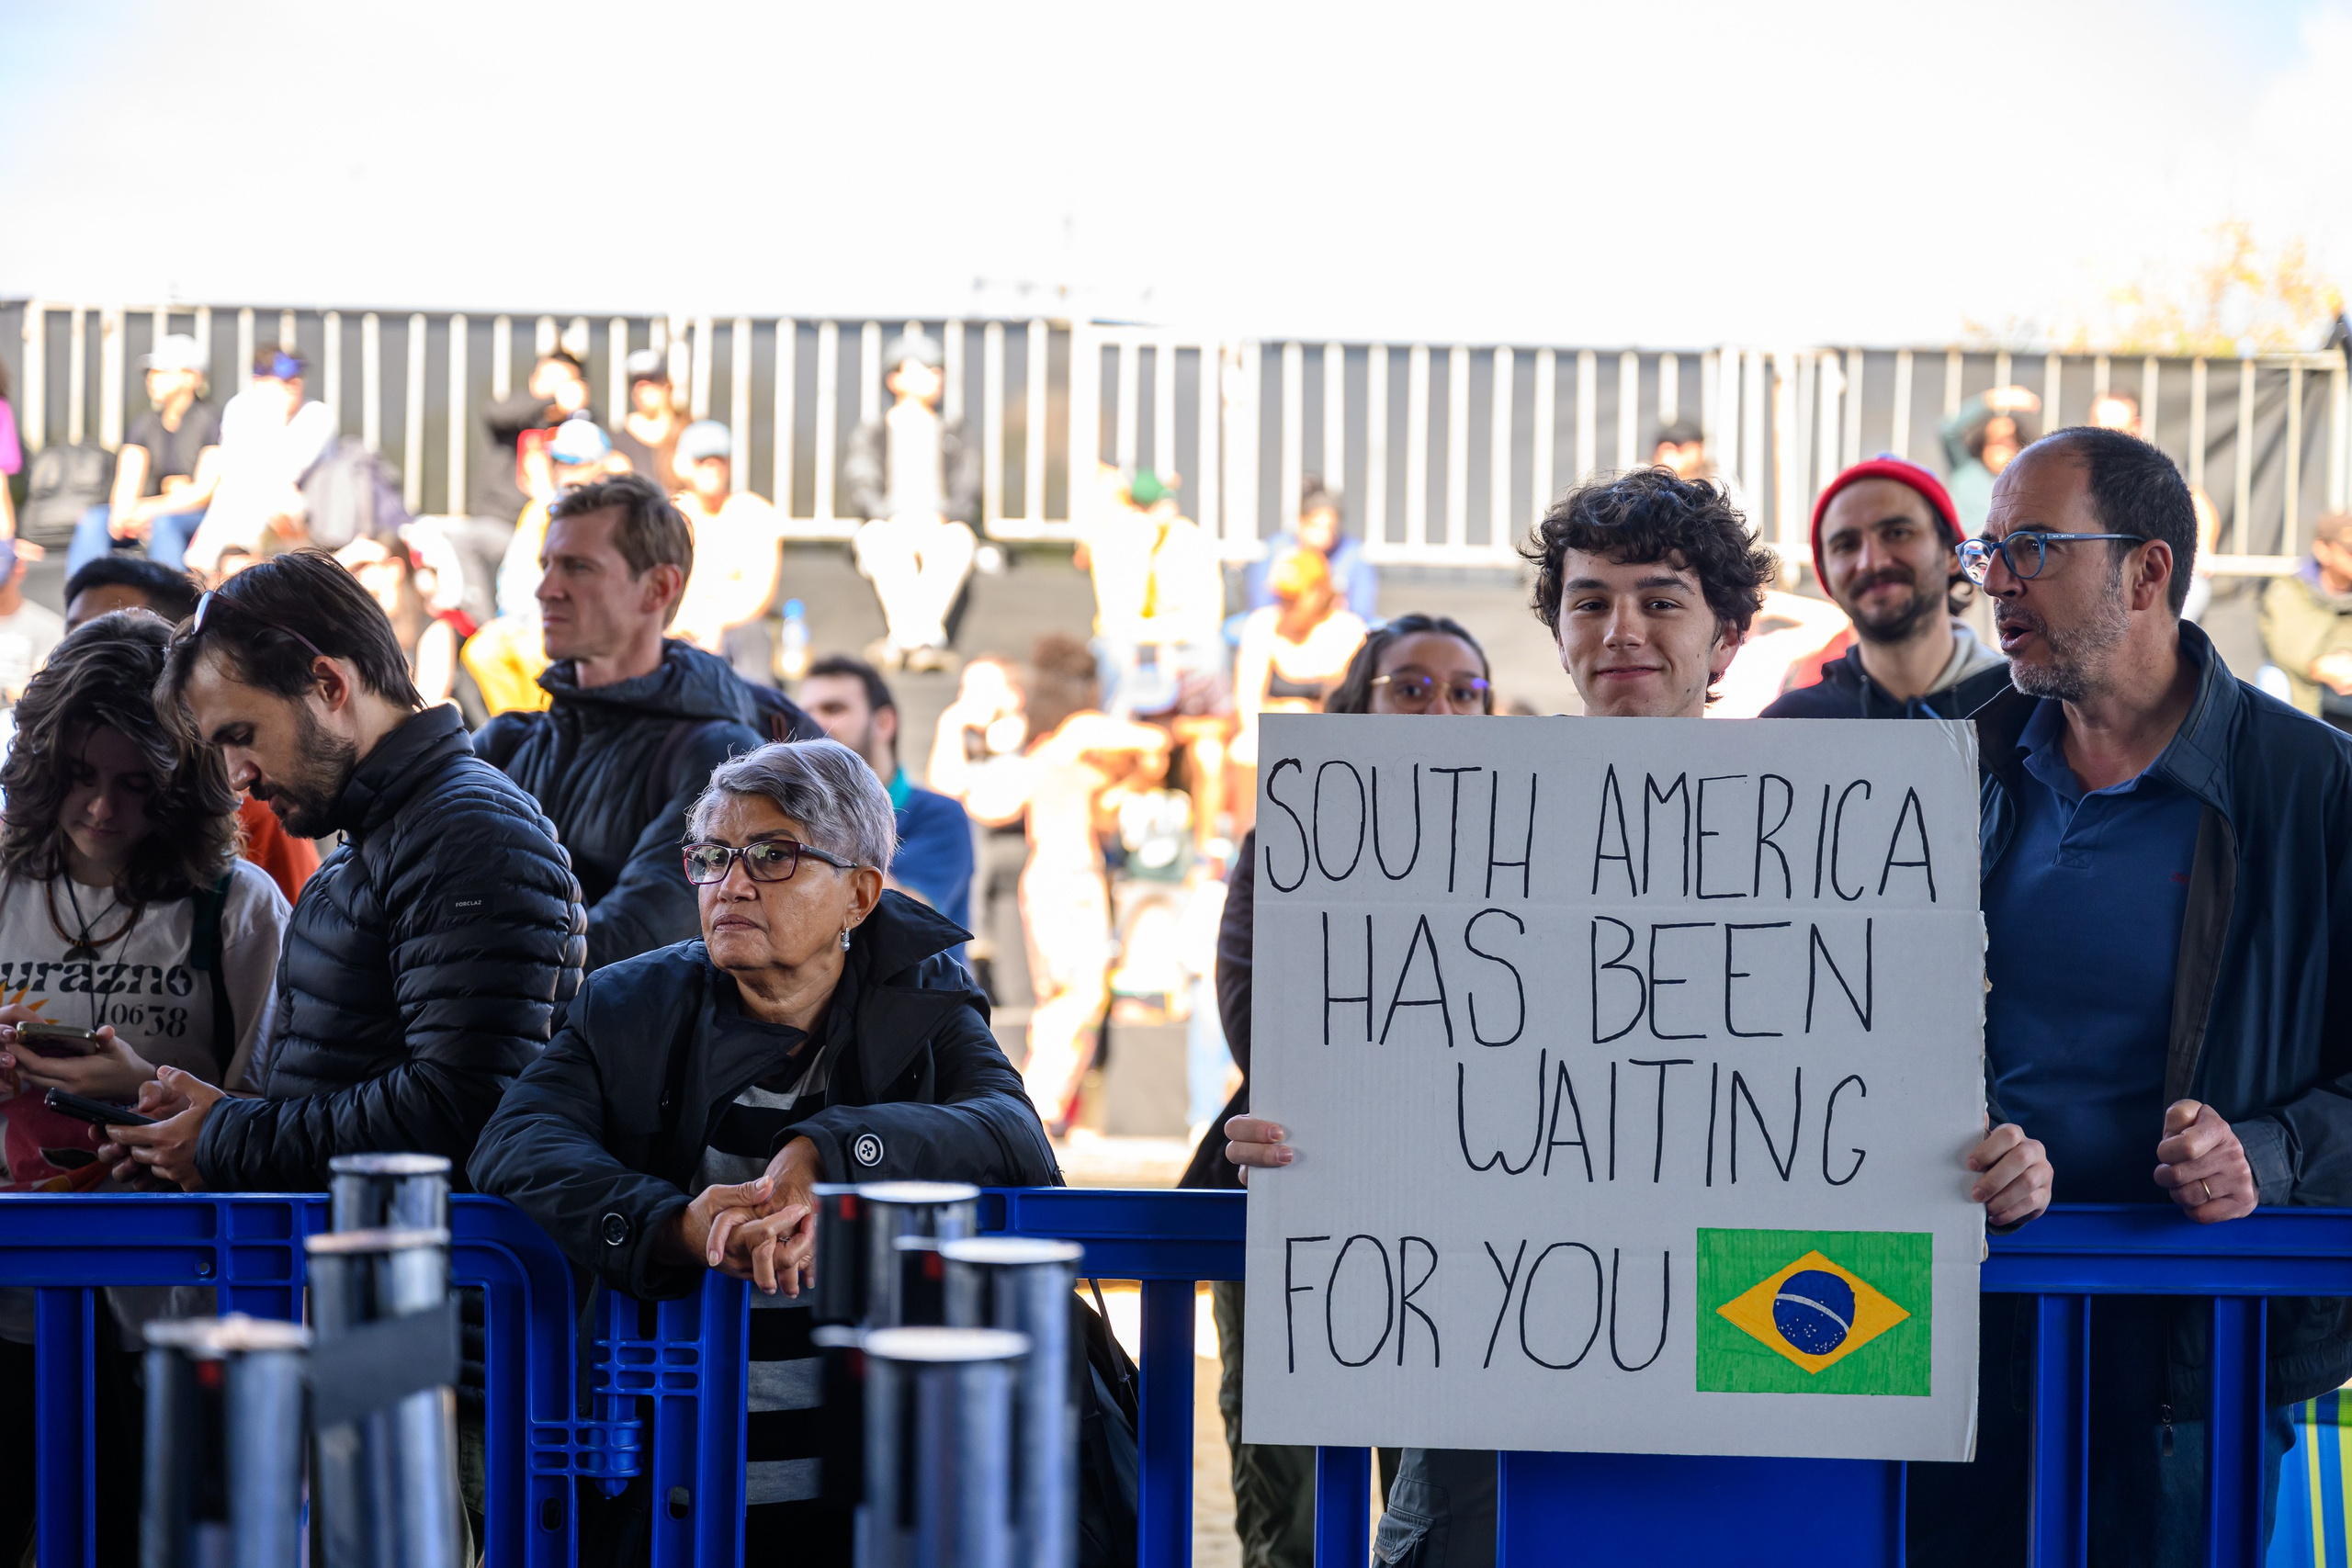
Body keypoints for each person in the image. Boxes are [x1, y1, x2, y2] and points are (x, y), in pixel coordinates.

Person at [1226, 468, 2056, 1566]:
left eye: (1661, 601)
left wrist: (2004, 1163)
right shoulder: (1436, 832)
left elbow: (1927, 1076)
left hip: (1762, 1395)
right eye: (1589, 601)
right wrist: (1300, 1132)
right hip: (1492, 1411)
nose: (1621, 630)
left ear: (1725, 639)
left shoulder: (1837, 833)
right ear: (1556, 629)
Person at [1908, 426, 2352, 1562]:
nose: (1994, 581)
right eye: (1985, 550)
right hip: (1940, 1340)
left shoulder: (2311, 789)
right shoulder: (1941, 766)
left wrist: (2271, 1153)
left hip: (2187, 1366)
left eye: (2033, 548)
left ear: (2148, 571)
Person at [469, 739, 1057, 1563]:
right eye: (711, 857)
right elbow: (515, 1141)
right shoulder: (631, 1001)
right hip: (668, 1488)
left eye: (773, 855)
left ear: (860, 893)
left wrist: (834, 1150)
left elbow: (1013, 1133)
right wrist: (673, 1224)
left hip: (871, 1489)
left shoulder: (929, 1008)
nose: (731, 884)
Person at [107, 548, 584, 1192]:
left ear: (329, 685)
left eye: (242, 733)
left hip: (429, 1284)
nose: (237, 776)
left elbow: (463, 1106)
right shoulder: (387, 837)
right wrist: (209, 1128)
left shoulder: (466, 834)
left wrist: (228, 1135)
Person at [1180, 611, 1492, 1568]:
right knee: (1295, 1522)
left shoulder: (1529, 852)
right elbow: (1263, 1031)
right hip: (1288, 1198)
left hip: (1474, 1225)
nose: (1438, 707)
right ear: (1354, 703)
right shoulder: (1285, 842)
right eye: (1410, 687)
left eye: (1465, 691)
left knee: (1435, 1514)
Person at [0, 614, 290, 1562]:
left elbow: (271, 1117)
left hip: (169, 1303)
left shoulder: (237, 906)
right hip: (13, 1297)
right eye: (78, 777)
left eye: (135, 786)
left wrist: (153, 1095)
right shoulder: (6, 881)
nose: (97, 811)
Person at [475, 472, 776, 974]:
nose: (547, 589)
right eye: (546, 565)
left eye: (578, 568)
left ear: (658, 588)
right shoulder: (505, 745)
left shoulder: (719, 758)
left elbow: (633, 948)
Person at [963, 636, 1170, 1130]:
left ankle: (1036, 1101)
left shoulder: (1050, 752)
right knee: (1078, 995)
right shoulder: (1079, 733)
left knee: (1064, 996)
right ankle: (1040, 1104)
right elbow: (1155, 744)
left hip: (1056, 878)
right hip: (1069, 878)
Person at [58, 556, 319, 903]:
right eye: (75, 632)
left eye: (135, 784)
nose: (88, 654)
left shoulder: (250, 801)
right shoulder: (39, 797)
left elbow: (295, 928)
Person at [1761, 457, 2008, 719]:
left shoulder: (2026, 707)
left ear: (1950, 552)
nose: (1872, 563)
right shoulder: (1792, 725)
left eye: (1897, 533)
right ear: (1826, 575)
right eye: (1846, 545)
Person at [797, 654, 975, 935]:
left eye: (832, 708)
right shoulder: (794, 816)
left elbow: (907, 919)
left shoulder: (940, 815)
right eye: (805, 713)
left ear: (883, 723)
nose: (814, 724)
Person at [463, 416, 622, 716]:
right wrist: (509, 619)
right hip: (529, 620)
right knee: (482, 651)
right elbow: (515, 573)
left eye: (574, 462)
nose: (565, 470)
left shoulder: (612, 515)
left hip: (582, 626)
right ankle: (519, 735)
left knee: (536, 654)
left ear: (599, 465)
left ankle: (551, 733)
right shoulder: (541, 509)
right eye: (560, 461)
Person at [842, 331, 982, 671]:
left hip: (941, 525)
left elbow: (969, 487)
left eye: (939, 369)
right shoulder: (872, 431)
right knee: (876, 539)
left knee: (960, 541)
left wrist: (944, 517)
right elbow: (861, 483)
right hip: (889, 524)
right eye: (926, 367)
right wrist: (891, 517)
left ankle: (900, 642)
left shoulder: (955, 431)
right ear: (895, 378)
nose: (937, 376)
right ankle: (926, 642)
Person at [456, 350, 599, 626]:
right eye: (547, 378)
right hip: (503, 523)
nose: (553, 387)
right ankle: (488, 630)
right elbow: (495, 413)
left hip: (552, 526)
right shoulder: (515, 414)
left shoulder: (581, 427)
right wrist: (553, 402)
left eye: (563, 382)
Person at [65, 333, 221, 574]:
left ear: (193, 376)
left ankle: (174, 604)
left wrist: (150, 510)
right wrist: (123, 514)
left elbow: (203, 493)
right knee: (96, 520)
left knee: (165, 524)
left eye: (163, 371)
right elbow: (127, 481)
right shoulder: (144, 424)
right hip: (148, 513)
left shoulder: (212, 421)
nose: (152, 378)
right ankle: (83, 598)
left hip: (193, 518)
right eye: (151, 372)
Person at [1078, 468, 1227, 717]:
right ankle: (1116, 725)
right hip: (1130, 641)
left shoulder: (1191, 540)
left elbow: (1206, 617)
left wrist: (1163, 641)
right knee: (1115, 657)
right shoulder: (1116, 540)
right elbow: (1116, 618)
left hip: (1181, 642)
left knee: (1212, 654)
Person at [670, 420, 786, 682]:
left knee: (752, 637)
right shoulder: (669, 514)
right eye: (702, 461)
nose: (712, 468)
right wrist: (688, 624)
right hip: (678, 631)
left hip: (737, 635)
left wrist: (717, 623)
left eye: (718, 460)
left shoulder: (755, 513)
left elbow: (759, 593)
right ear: (683, 464)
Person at [1232, 547, 1366, 766]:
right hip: (1272, 736)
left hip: (1330, 737)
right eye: (1282, 596)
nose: (1287, 604)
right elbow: (1247, 699)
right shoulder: (1263, 624)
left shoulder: (1348, 630)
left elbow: (1347, 705)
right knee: (1245, 752)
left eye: (1294, 597)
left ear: (1319, 591)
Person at [337, 536, 458, 707]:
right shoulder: (358, 627)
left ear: (394, 568)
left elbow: (428, 707)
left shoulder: (434, 630)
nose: (353, 575)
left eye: (361, 566)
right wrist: (339, 560)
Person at [2259, 512, 2352, 730]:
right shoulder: (2289, 590)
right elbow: (2289, 651)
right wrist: (2325, 664)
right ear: (2323, 550)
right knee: (2272, 680)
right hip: (2303, 691)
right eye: (2350, 550)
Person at [1243, 477, 1379, 616]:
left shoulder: (1352, 553)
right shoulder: (1277, 549)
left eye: (1329, 528)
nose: (1322, 535)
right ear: (1301, 521)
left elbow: (1362, 612)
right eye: (1315, 526)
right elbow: (1260, 606)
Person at [1939, 384, 2041, 533]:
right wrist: (1991, 400)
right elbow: (1947, 430)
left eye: (2007, 442)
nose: (2000, 449)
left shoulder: (2025, 480)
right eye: (1994, 441)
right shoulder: (1966, 469)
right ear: (1983, 446)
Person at [609, 348, 685, 494]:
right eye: (635, 381)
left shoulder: (686, 431)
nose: (641, 388)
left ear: (667, 385)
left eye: (651, 380)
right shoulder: (617, 439)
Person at [0, 541, 63, 707]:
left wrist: (22, 691)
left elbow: (48, 685)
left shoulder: (48, 626)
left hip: (17, 715)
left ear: (18, 570)